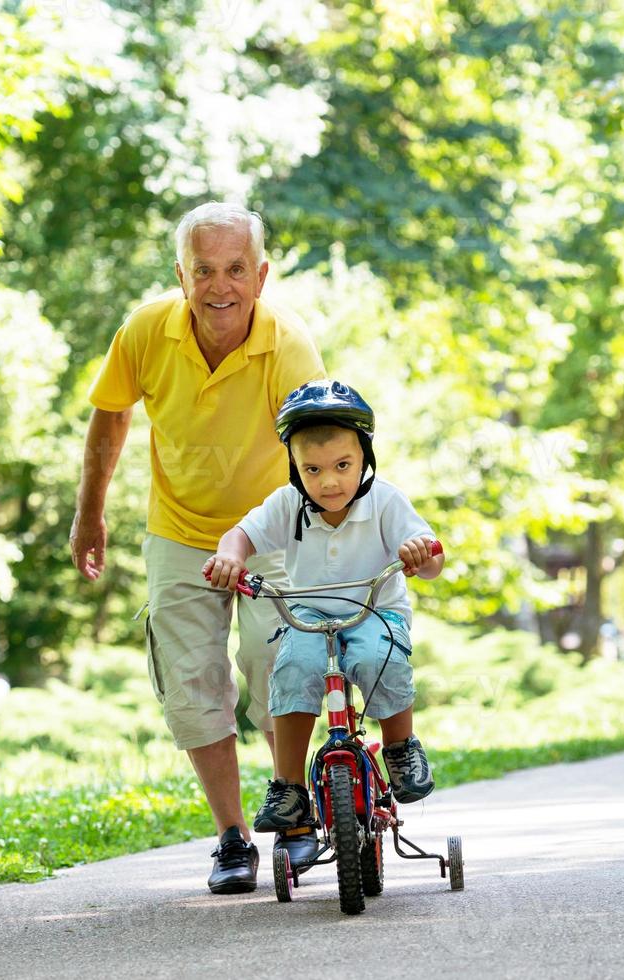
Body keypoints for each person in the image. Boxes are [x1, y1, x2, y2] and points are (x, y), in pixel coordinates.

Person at [70, 202, 324, 894]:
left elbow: (321, 454)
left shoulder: (288, 346)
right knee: (190, 686)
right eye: (204, 270)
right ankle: (232, 839)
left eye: (236, 269)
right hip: (179, 530)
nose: (220, 286)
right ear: (180, 274)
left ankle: (296, 816)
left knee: (277, 663)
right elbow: (110, 419)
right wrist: (88, 516)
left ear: (261, 274)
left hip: (271, 528)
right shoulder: (148, 331)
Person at [202, 380, 444, 847]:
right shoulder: (288, 504)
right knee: (293, 665)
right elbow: (240, 535)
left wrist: (420, 554)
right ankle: (288, 786)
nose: (328, 481)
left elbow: (433, 560)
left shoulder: (385, 501)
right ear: (294, 467)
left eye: (342, 466)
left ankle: (399, 748)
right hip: (308, 613)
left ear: (365, 460)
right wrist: (230, 556)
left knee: (380, 658)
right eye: (312, 469)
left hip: (375, 609)